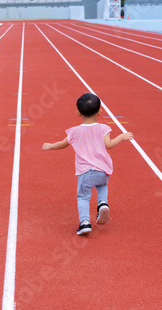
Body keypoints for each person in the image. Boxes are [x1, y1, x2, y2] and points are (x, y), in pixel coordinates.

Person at [42, 93, 133, 236]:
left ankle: (84, 223)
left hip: (86, 172)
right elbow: (109, 145)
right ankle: (103, 203)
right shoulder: (103, 128)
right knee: (102, 185)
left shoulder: (74, 131)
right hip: (103, 170)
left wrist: (50, 146)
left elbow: (63, 144)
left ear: (78, 112)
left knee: (83, 197)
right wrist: (121, 137)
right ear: (100, 111)